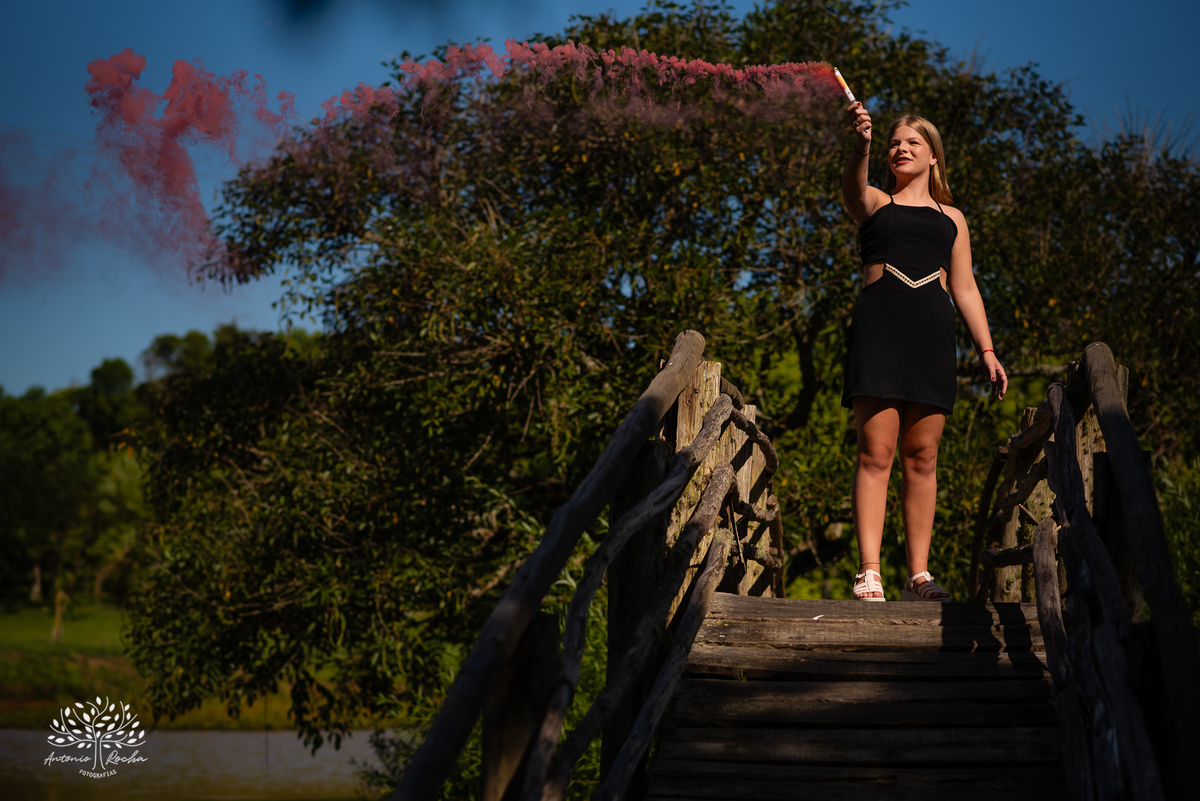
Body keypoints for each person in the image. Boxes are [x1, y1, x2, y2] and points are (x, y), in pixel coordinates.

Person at [840, 102, 1007, 601]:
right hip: (879, 330)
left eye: (912, 143)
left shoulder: (952, 218)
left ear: (933, 156)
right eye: (894, 143)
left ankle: (919, 575)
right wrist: (862, 148)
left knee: (923, 456)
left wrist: (987, 350)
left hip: (932, 336)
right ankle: (870, 571)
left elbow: (966, 288)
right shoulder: (873, 202)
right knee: (876, 453)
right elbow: (852, 188)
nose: (901, 149)